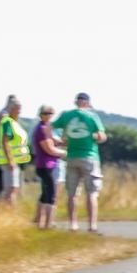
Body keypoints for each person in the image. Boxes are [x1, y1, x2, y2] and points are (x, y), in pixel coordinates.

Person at [53, 91, 107, 233]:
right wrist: (95, 136)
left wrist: (57, 141)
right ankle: (92, 225)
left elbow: (50, 127)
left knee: (72, 193)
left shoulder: (66, 115)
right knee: (92, 193)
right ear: (87, 102)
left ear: (76, 101)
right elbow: (102, 137)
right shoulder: (92, 116)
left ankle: (73, 224)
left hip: (71, 156)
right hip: (89, 156)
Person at [31, 105, 66, 229]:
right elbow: (49, 149)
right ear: (40, 114)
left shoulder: (46, 128)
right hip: (45, 165)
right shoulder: (41, 129)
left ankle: (40, 223)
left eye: (50, 113)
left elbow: (57, 141)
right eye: (45, 113)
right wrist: (65, 153)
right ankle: (48, 224)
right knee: (51, 195)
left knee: (45, 194)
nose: (48, 115)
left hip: (49, 165)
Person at [0, 96, 31, 205]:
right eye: (18, 108)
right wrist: (10, 160)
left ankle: (5, 211)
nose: (20, 111)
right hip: (10, 161)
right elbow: (5, 141)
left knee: (14, 188)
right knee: (11, 189)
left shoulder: (14, 123)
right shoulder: (7, 121)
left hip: (16, 161)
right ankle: (7, 213)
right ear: (11, 108)